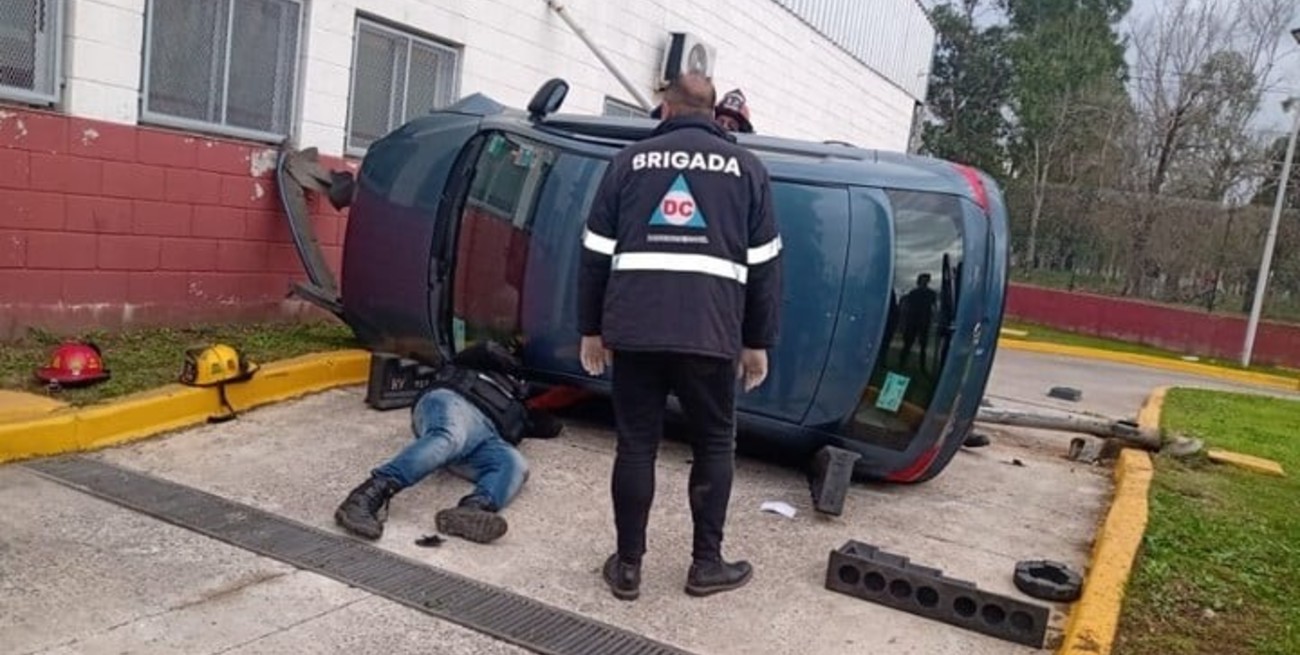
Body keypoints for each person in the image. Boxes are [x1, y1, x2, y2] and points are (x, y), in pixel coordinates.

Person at [577, 72, 783, 601]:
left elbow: (595, 253)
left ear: (665, 109)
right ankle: (705, 566)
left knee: (637, 445)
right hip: (711, 334)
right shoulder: (747, 168)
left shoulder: (627, 163)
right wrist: (756, 341)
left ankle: (627, 568)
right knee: (715, 443)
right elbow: (765, 266)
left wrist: (591, 330)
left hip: (636, 332)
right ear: (715, 114)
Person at [334, 340, 564, 544]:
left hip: (488, 435)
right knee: (450, 437)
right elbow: (478, 351)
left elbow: (551, 426)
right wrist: (509, 358)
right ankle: (366, 496)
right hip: (452, 403)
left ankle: (472, 509)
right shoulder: (486, 360)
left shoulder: (519, 394)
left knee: (515, 463)